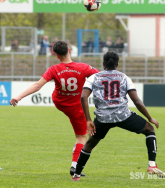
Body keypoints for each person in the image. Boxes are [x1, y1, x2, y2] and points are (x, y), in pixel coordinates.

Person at [72, 51, 165, 181]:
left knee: (90, 144)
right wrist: (149, 118)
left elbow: (83, 96)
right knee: (149, 130)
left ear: (103, 63)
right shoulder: (124, 77)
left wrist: (88, 119)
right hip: (123, 116)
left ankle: (76, 175)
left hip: (102, 118)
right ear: (117, 64)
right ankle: (152, 165)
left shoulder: (93, 77)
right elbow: (136, 101)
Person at [10, 41, 99, 176]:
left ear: (57, 56)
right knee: (81, 136)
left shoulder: (54, 69)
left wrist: (19, 97)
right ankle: (75, 166)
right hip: (75, 106)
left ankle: (75, 166)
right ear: (69, 50)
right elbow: (102, 77)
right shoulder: (83, 67)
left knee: (78, 130)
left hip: (60, 102)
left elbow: (37, 85)